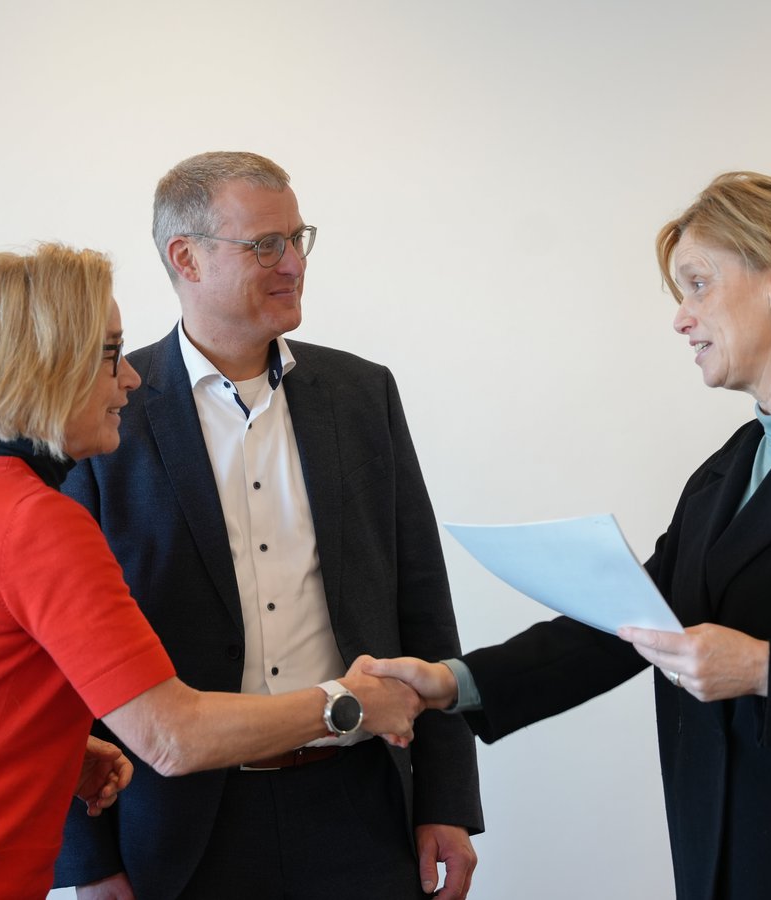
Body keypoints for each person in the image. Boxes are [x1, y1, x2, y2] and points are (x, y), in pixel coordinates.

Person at [369, 171, 771, 900]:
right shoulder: (727, 471)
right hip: (724, 860)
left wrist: (765, 671)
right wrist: (454, 683)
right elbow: (629, 625)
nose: (680, 318)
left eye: (697, 283)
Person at [54, 151, 483, 900]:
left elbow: (421, 602)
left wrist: (446, 801)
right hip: (177, 825)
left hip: (358, 803)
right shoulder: (103, 412)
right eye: (264, 246)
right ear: (185, 257)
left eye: (298, 238)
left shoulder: (361, 393)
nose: (293, 264)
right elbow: (60, 663)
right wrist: (88, 862)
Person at [0, 244, 422, 900]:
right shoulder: (38, 523)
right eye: (109, 354)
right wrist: (348, 704)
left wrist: (62, 752)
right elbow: (174, 738)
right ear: (47, 367)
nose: (131, 380)